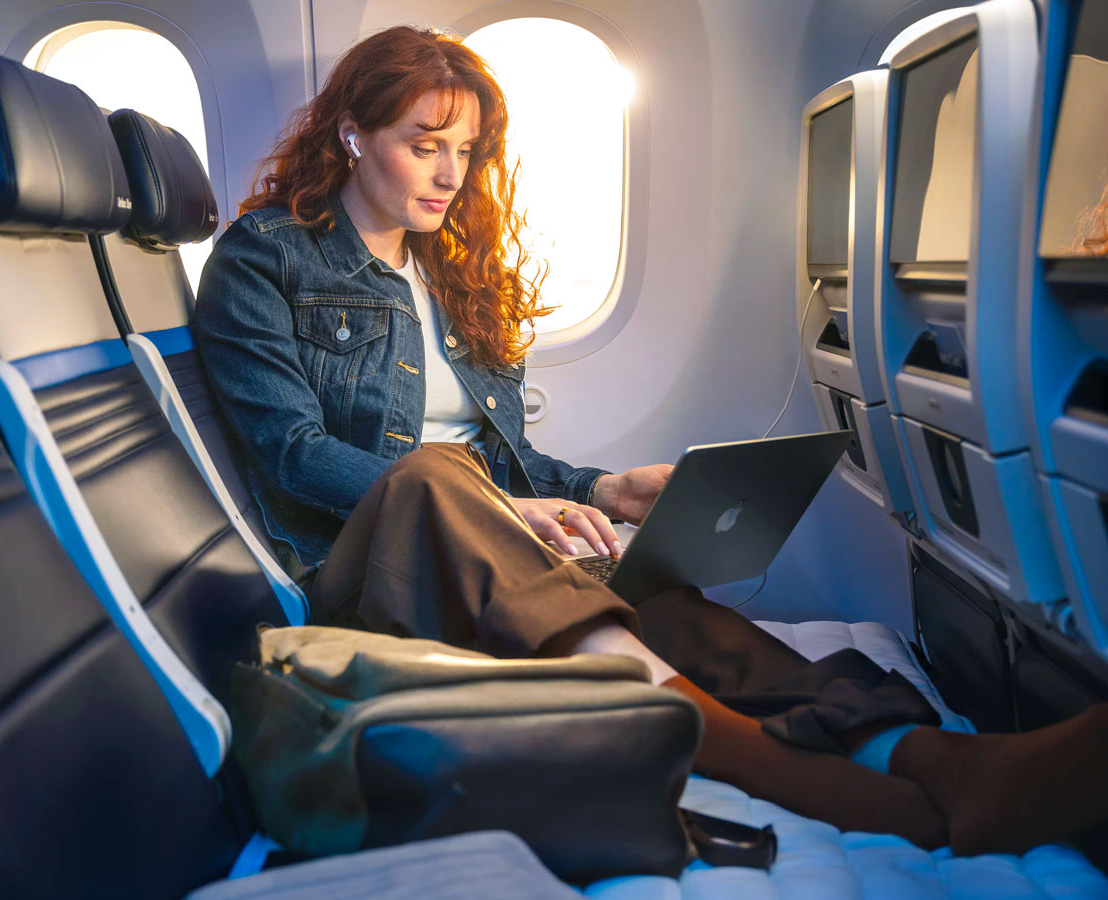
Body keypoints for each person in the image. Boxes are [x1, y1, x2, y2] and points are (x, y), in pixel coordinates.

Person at [194, 24, 1108, 858]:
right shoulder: (263, 258)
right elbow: (295, 455)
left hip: (476, 537)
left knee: (650, 583)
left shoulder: (449, 270)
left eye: (465, 152)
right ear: (353, 134)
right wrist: (499, 505)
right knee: (440, 474)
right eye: (423, 145)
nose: (449, 175)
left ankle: (932, 758)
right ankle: (763, 762)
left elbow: (505, 458)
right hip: (363, 571)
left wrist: (598, 493)